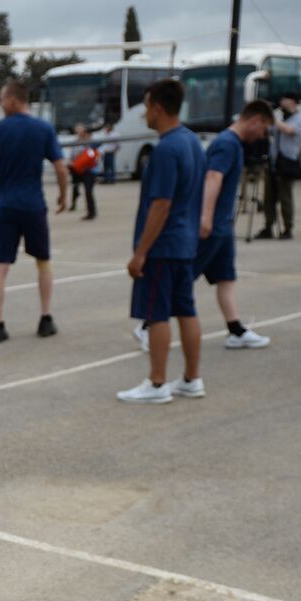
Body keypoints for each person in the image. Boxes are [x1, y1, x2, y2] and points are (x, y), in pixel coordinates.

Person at [117, 78, 205, 405]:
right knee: (187, 310)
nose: (145, 116)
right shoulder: (192, 143)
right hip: (184, 244)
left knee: (156, 314)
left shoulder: (167, 149)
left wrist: (141, 252)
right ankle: (192, 379)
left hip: (163, 247)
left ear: (158, 108)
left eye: (146, 109)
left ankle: (157, 384)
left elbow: (161, 204)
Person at [0, 80, 68, 344]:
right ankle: (45, 318)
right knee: (43, 261)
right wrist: (64, 195)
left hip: (5, 205)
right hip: (33, 204)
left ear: (13, 100)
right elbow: (60, 166)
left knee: (1, 267)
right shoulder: (42, 128)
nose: (0, 105)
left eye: (1, 99)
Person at [196, 100, 277, 350]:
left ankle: (236, 330)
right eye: (263, 128)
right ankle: (148, 325)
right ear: (255, 120)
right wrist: (206, 217)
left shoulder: (232, 144)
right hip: (214, 225)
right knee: (181, 277)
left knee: (226, 278)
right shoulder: (227, 144)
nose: (262, 135)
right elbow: (212, 177)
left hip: (223, 226)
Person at [255, 93, 301, 240]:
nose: (282, 102)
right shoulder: (279, 116)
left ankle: (288, 228)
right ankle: (268, 226)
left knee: (285, 197)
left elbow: (289, 130)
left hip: (288, 161)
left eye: (285, 100)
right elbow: (268, 131)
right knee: (269, 197)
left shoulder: (300, 119)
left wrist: (272, 117)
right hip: (274, 161)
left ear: (294, 102)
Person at [68, 125, 99, 219]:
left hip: (89, 171)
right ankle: (74, 203)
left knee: (88, 191)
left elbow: (95, 156)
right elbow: (73, 154)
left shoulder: (92, 144)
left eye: (81, 131)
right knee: (75, 186)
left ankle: (92, 212)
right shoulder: (76, 142)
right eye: (77, 131)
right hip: (78, 169)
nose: (79, 133)